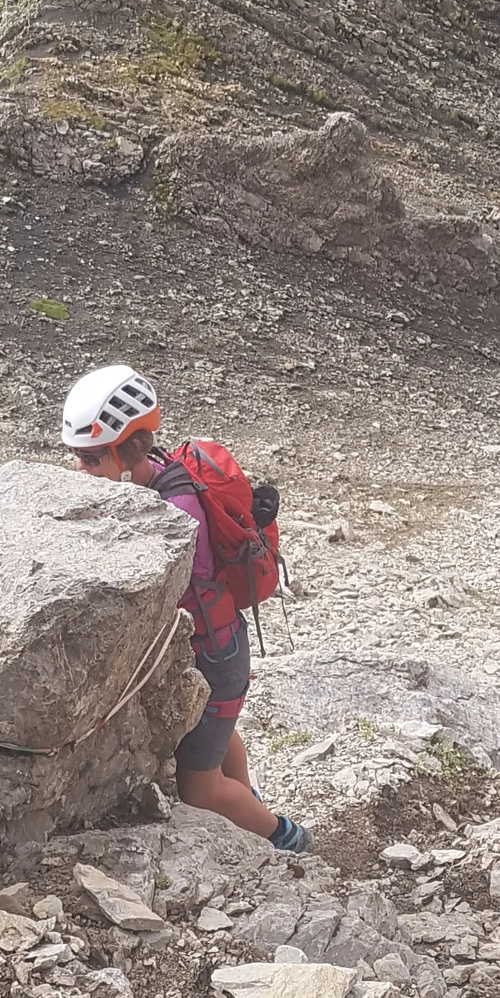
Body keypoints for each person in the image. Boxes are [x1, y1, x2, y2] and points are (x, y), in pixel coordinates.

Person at [62, 364, 310, 854]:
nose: (79, 471)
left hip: (213, 659)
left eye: (90, 459)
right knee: (218, 736)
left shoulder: (176, 515)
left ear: (124, 454)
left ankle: (286, 838)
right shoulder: (152, 478)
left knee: (199, 790)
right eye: (77, 458)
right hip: (221, 651)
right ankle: (248, 803)